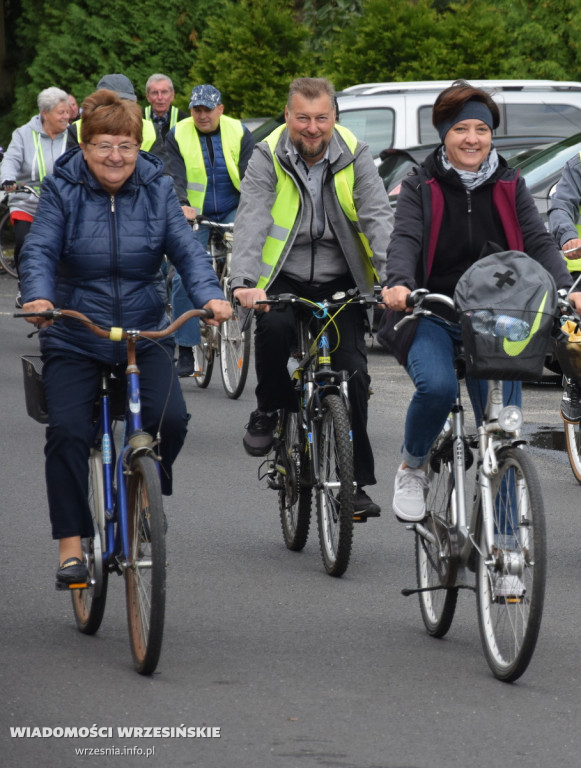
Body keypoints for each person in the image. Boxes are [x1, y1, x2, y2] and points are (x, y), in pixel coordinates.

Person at [18, 89, 232, 587]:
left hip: (145, 329)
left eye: (126, 147)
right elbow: (41, 251)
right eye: (104, 145)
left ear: (139, 148)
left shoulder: (156, 188)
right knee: (69, 431)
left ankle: (145, 492)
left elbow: (187, 251)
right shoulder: (61, 189)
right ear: (84, 145)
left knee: (173, 421)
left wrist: (211, 296)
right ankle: (72, 544)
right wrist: (39, 299)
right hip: (75, 330)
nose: (116, 157)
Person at [381, 79, 581, 526]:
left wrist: (568, 289)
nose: (472, 138)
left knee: (502, 436)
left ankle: (507, 550)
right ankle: (413, 465)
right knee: (437, 388)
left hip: (499, 317)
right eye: (461, 129)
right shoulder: (421, 184)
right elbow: (406, 239)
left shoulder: (510, 182)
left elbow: (538, 241)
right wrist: (398, 283)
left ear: (491, 134)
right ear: (445, 134)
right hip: (433, 309)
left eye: (482, 129)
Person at [230, 76, 393, 519]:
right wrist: (245, 281)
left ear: (334, 118)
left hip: (340, 279)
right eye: (303, 117)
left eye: (321, 118)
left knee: (353, 373)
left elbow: (378, 215)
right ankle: (270, 407)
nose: (312, 128)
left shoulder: (355, 154)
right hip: (281, 276)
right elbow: (252, 218)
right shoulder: (267, 155)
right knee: (274, 328)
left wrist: (394, 277)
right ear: (287, 117)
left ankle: (353, 482)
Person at [165, 84, 255, 376]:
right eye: (196, 109)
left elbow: (252, 174)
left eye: (207, 109)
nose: (201, 115)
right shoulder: (177, 133)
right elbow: (173, 175)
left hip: (232, 207)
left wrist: (252, 208)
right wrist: (181, 203)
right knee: (182, 275)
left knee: (251, 265)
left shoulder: (239, 131)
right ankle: (187, 348)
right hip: (195, 211)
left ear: (220, 109)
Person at [0, 86, 70, 306]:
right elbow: (10, 160)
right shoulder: (23, 134)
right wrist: (8, 180)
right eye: (61, 112)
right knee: (24, 240)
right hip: (27, 200)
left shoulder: (73, 135)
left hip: (60, 202)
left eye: (68, 111)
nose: (67, 116)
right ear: (45, 113)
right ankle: (25, 285)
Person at [547, 155, 581, 422]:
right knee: (575, 332)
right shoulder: (579, 164)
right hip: (579, 265)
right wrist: (568, 235)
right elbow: (560, 205)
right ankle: (575, 380)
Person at [67, 74, 158, 153]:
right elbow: (72, 169)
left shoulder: (152, 130)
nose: (117, 110)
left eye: (124, 102)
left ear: (135, 102)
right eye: (110, 104)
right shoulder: (76, 129)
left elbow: (162, 170)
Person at [144, 73, 188, 141]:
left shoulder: (184, 120)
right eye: (155, 93)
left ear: (172, 95)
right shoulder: (138, 119)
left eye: (164, 92)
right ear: (147, 97)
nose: (160, 97)